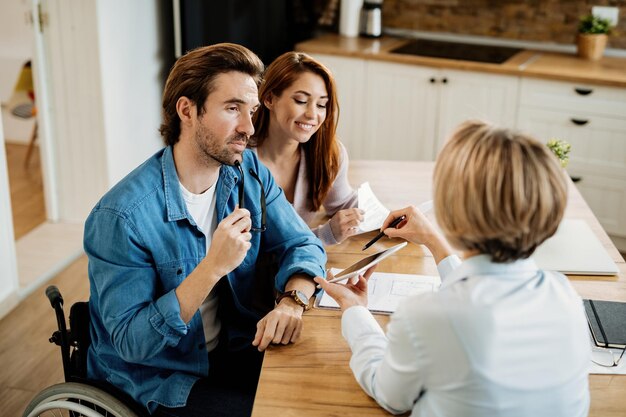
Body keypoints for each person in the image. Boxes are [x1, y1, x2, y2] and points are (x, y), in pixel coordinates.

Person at [84, 43, 326, 417]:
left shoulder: (248, 172)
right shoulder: (121, 217)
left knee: (320, 392)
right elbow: (132, 343)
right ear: (187, 110)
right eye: (232, 109)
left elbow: (301, 242)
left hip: (232, 349)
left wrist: (293, 302)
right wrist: (212, 267)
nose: (248, 127)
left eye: (252, 111)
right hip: (160, 377)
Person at [316, 120, 591, 417]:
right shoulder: (565, 296)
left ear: (451, 214)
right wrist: (434, 241)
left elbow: (390, 395)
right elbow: (482, 289)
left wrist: (354, 309)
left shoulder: (428, 315)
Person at [250, 51, 363, 245]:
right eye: (301, 101)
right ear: (269, 99)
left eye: (321, 105)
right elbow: (260, 250)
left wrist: (392, 220)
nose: (312, 114)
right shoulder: (239, 160)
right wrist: (326, 234)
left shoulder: (328, 155)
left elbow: (343, 204)